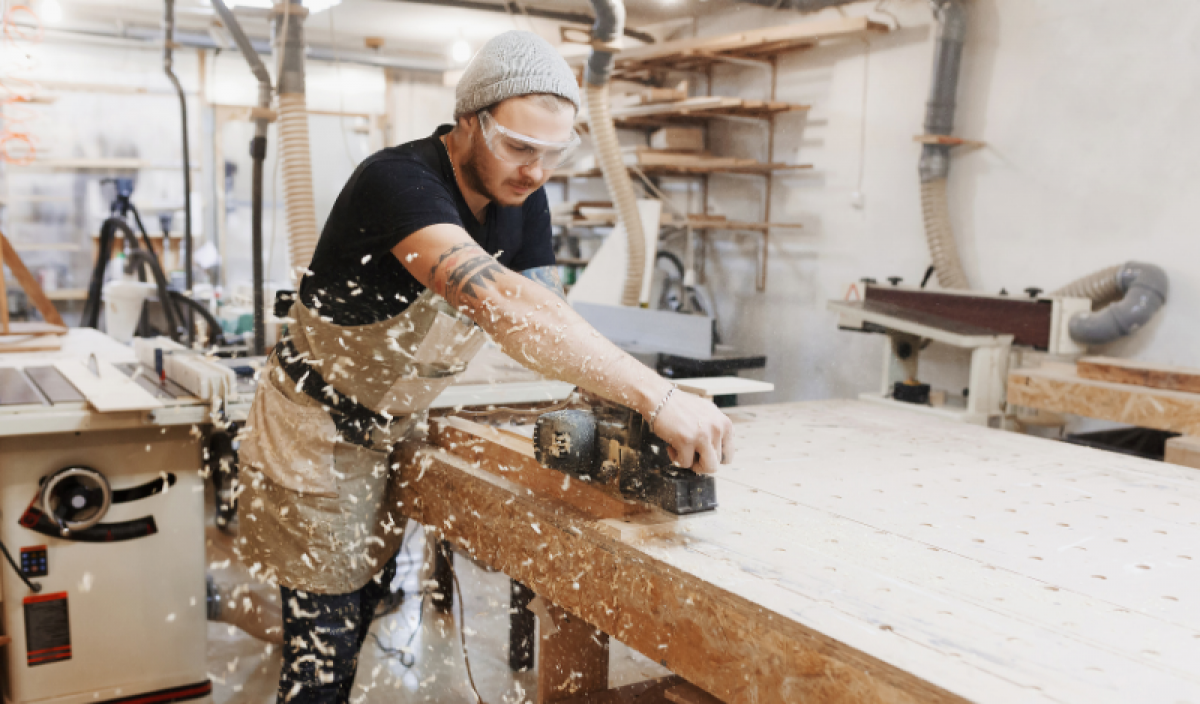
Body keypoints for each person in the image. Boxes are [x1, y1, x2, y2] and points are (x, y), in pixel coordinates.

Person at [234, 30, 735, 704]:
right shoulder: (398, 182)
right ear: (468, 122)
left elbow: (548, 313)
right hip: (315, 433)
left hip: (395, 426)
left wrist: (614, 406)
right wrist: (657, 395)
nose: (534, 172)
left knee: (368, 603)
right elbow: (501, 300)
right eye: (518, 147)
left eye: (553, 155)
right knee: (324, 652)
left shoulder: (524, 200)